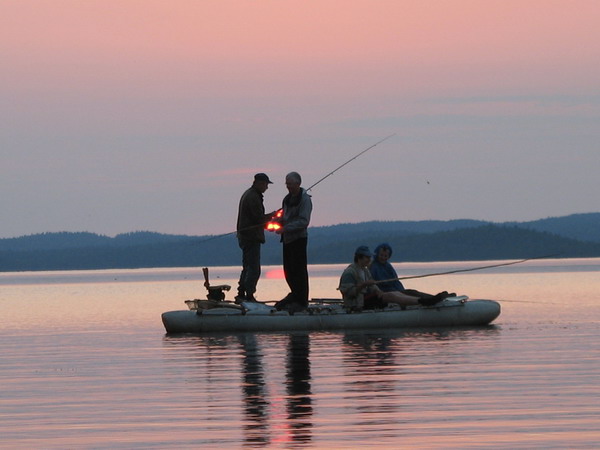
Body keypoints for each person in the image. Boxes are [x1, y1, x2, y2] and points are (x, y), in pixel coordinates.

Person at [339, 246, 429, 311]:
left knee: (396, 293)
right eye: (367, 257)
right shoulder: (349, 272)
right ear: (359, 257)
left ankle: (424, 301)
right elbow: (349, 293)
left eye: (369, 257)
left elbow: (373, 286)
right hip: (356, 304)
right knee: (390, 296)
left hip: (365, 300)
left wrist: (378, 291)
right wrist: (364, 285)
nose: (369, 259)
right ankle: (421, 301)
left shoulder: (365, 271)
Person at [273, 172, 312, 312]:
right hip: (287, 240)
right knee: (288, 271)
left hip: (299, 239)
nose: (287, 186)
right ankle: (294, 294)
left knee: (299, 270)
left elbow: (304, 221)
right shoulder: (286, 199)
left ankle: (301, 301)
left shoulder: (305, 200)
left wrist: (285, 228)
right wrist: (275, 222)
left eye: (290, 183)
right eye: (286, 183)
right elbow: (284, 215)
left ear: (298, 183)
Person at [236, 173, 275, 302]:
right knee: (254, 268)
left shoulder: (249, 194)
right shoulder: (253, 197)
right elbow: (258, 219)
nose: (266, 187)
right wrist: (273, 216)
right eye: (265, 184)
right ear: (258, 182)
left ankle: (241, 294)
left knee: (247, 266)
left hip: (245, 236)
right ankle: (249, 296)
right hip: (250, 238)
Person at [369, 242, 452, 304]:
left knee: (413, 292)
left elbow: (396, 280)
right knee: (412, 293)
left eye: (385, 256)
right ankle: (433, 299)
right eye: (381, 255)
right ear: (377, 254)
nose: (383, 258)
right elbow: (376, 283)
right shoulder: (374, 266)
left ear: (388, 256)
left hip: (397, 290)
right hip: (389, 292)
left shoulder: (388, 265)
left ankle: (437, 298)